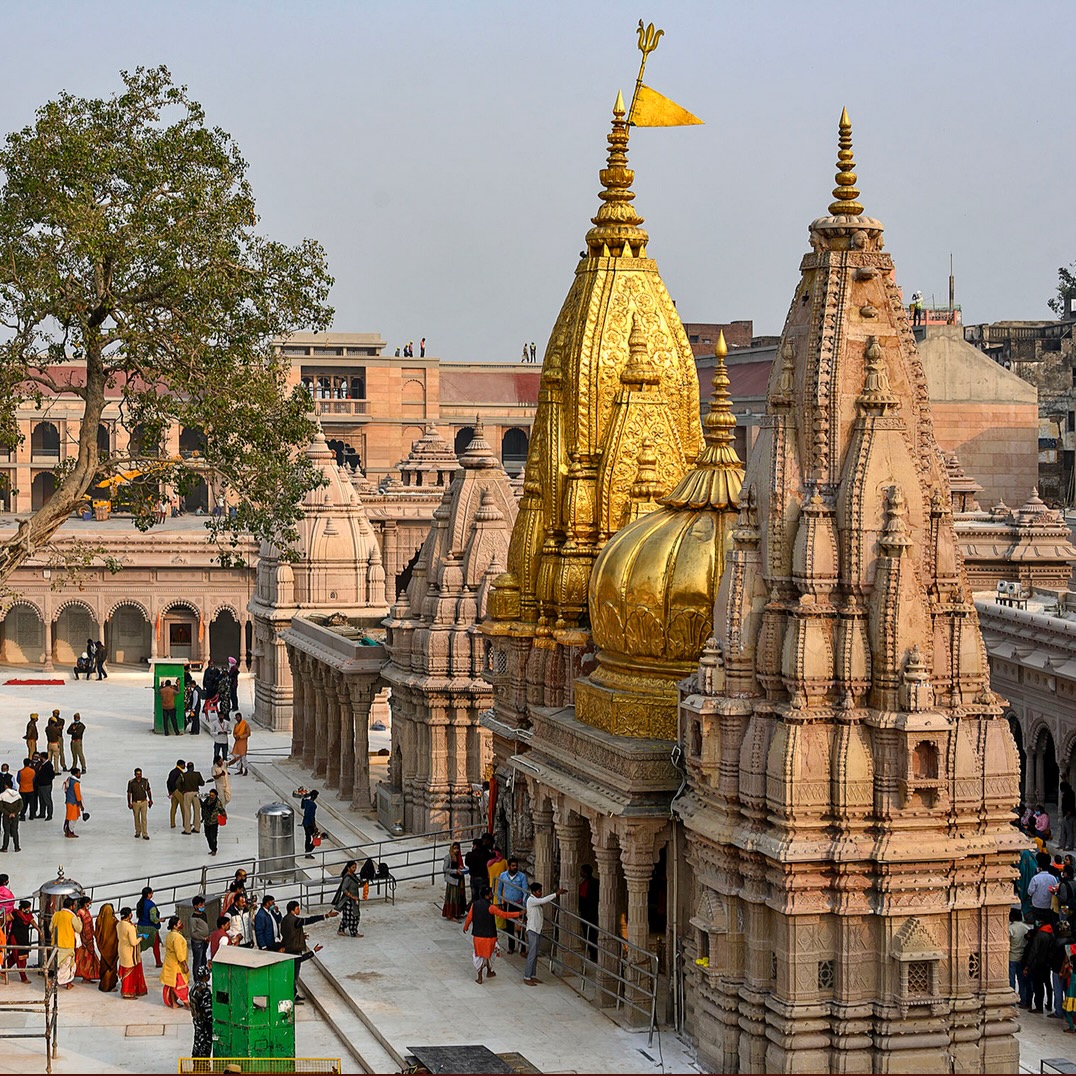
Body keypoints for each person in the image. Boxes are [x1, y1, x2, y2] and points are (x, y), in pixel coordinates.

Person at [465, 884, 521, 984]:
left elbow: (469, 917)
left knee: (479, 955)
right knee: (490, 954)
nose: (492, 895)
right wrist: (518, 913)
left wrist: (466, 927)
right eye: (491, 894)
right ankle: (489, 971)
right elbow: (504, 915)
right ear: (487, 896)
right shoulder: (491, 907)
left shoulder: (475, 905)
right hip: (490, 936)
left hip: (477, 936)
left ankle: (480, 976)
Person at [523, 881, 567, 985]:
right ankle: (527, 977)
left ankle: (532, 975)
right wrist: (556, 894)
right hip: (532, 930)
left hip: (537, 931)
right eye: (539, 891)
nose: (540, 893)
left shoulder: (535, 901)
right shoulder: (531, 900)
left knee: (535, 954)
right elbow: (543, 900)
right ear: (533, 892)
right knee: (532, 954)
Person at [281, 899, 337, 965]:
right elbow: (309, 920)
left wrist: (300, 936)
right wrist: (325, 916)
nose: (299, 910)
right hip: (294, 948)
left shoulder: (285, 919)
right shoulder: (295, 920)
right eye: (297, 909)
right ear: (292, 910)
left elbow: (289, 932)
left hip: (286, 946)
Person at [496, 858, 529, 955]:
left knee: (520, 927)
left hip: (518, 904)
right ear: (509, 866)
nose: (515, 867)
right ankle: (511, 947)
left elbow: (525, 891)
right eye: (513, 866)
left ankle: (522, 948)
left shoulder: (522, 876)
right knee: (509, 926)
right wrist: (499, 902)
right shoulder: (503, 875)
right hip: (508, 904)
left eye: (516, 866)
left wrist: (524, 905)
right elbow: (499, 889)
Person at [118, 907, 147, 998]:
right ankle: (128, 993)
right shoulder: (129, 927)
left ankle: (126, 991)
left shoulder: (119, 924)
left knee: (125, 969)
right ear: (129, 915)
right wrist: (141, 938)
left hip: (122, 949)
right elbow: (133, 942)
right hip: (129, 951)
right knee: (130, 973)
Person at [161, 917, 190, 1008]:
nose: (181, 924)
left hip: (169, 962)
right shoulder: (177, 937)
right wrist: (184, 965)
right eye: (179, 923)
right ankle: (187, 1004)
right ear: (175, 926)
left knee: (173, 984)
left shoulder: (170, 935)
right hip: (176, 965)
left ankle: (174, 1003)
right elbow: (179, 953)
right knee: (181, 986)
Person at [7, 901, 38, 984]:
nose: (29, 910)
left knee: (14, 957)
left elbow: (33, 922)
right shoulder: (15, 914)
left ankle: (3, 969)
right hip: (15, 939)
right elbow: (7, 918)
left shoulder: (28, 915)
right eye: (28, 909)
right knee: (20, 959)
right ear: (23, 908)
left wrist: (39, 931)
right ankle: (23, 978)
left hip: (24, 939)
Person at [52, 896, 78, 990]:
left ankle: (68, 983)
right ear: (71, 906)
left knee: (60, 965)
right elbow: (79, 928)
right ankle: (53, 981)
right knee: (67, 965)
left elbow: (51, 928)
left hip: (56, 944)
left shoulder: (56, 915)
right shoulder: (72, 916)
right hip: (67, 944)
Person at [332, 861, 363, 938]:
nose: (355, 869)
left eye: (355, 867)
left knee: (347, 916)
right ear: (348, 868)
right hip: (348, 900)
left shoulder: (353, 876)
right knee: (352, 916)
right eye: (353, 867)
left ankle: (341, 930)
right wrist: (352, 896)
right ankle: (353, 932)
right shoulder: (348, 878)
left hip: (353, 899)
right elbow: (344, 889)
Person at [190, 964, 214, 1060]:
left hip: (196, 1020)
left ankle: (196, 1064)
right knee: (204, 1046)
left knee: (197, 1042)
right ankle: (203, 1066)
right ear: (206, 976)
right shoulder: (205, 991)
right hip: (204, 1023)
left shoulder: (194, 988)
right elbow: (208, 1011)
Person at [136, 887, 163, 967]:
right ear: (148, 894)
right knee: (155, 946)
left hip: (140, 928)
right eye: (151, 893)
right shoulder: (151, 905)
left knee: (139, 945)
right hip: (151, 930)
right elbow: (153, 919)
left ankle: (135, 959)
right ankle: (158, 962)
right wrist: (160, 920)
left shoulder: (140, 903)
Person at [75, 896, 100, 982]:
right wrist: (83, 939)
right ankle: (85, 975)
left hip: (89, 937)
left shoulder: (86, 911)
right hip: (84, 939)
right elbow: (80, 927)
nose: (89, 905)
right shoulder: (80, 913)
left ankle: (88, 976)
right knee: (85, 958)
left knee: (89, 958)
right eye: (89, 903)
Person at [1029, 852, 1059, 923]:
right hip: (1048, 905)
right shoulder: (1053, 878)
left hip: (1037, 905)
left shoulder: (1035, 878)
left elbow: (1030, 891)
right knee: (1048, 923)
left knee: (1038, 923)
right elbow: (1055, 890)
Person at [578, 864, 600, 963]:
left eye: (582, 871)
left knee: (590, 934)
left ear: (585, 873)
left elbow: (583, 898)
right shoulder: (593, 882)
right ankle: (593, 953)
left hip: (588, 912)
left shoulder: (589, 884)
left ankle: (594, 954)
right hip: (591, 912)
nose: (580, 873)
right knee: (590, 933)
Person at [96, 903, 119, 993]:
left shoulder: (99, 921)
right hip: (112, 949)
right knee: (111, 967)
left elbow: (97, 934)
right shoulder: (114, 922)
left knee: (104, 966)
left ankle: (103, 985)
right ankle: (108, 986)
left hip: (103, 948)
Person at [1011, 906, 1032, 1001]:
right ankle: (1023, 999)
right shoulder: (1026, 928)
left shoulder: (1011, 929)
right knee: (1022, 980)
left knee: (1011, 981)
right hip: (1022, 957)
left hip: (1011, 957)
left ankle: (1011, 1000)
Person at [127, 767, 153, 840]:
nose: (139, 775)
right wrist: (129, 803)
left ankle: (145, 833)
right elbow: (129, 793)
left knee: (144, 818)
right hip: (135, 802)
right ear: (135, 774)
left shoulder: (145, 781)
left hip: (144, 801)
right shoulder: (131, 783)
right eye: (137, 774)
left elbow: (148, 791)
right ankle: (138, 831)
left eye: (140, 774)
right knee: (136, 817)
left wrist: (150, 800)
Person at [442, 841, 466, 921]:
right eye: (455, 848)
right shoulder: (448, 857)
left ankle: (457, 913)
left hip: (458, 880)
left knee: (458, 897)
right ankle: (451, 914)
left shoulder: (458, 857)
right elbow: (445, 869)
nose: (457, 850)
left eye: (458, 848)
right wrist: (455, 871)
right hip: (452, 881)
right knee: (452, 898)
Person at [180, 761, 205, 834]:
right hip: (196, 793)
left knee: (187, 811)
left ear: (187, 768)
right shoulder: (197, 774)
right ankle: (197, 828)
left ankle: (187, 829)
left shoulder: (183, 775)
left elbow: (178, 783)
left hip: (187, 793)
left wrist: (182, 790)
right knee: (197, 811)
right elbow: (202, 783)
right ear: (193, 767)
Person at [189, 896, 209, 979]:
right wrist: (203, 938)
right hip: (198, 943)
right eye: (200, 905)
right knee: (197, 962)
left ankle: (203, 977)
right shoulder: (193, 918)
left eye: (203, 904)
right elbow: (193, 933)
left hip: (205, 942)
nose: (202, 906)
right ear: (195, 906)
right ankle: (197, 979)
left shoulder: (204, 914)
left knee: (203, 961)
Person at [464, 838, 487, 909]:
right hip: (482, 877)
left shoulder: (470, 855)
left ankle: (475, 912)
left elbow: (467, 863)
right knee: (482, 897)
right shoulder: (485, 854)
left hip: (473, 877)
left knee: (474, 897)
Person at [62, 767, 84, 838]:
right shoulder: (76, 783)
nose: (80, 774)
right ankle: (70, 832)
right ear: (76, 774)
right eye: (79, 773)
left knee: (69, 817)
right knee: (73, 818)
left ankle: (67, 831)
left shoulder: (69, 780)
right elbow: (78, 795)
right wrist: (81, 805)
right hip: (73, 803)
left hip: (68, 801)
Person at [201, 789, 224, 855]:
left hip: (214, 822)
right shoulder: (207, 800)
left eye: (212, 795)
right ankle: (211, 848)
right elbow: (204, 807)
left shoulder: (218, 802)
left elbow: (221, 810)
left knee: (213, 836)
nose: (211, 796)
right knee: (207, 835)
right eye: (210, 795)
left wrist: (223, 816)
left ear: (216, 795)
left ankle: (214, 849)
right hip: (207, 821)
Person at [0, 781, 21, 852]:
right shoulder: (17, 794)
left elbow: (1, 807)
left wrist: (8, 814)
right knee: (15, 831)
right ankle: (17, 847)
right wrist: (14, 813)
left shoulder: (2, 795)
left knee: (6, 832)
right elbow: (21, 806)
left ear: (6, 786)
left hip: (6, 816)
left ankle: (5, 847)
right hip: (15, 816)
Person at [34, 753, 55, 822]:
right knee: (41, 800)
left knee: (47, 800)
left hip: (45, 785)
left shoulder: (48, 765)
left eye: (40, 757)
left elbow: (52, 775)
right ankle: (42, 813)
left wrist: (46, 780)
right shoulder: (42, 764)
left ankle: (49, 814)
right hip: (40, 785)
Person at [167, 759, 185, 828]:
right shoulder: (180, 772)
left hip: (172, 792)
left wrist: (170, 791)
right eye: (184, 765)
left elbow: (168, 782)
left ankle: (172, 823)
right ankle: (185, 823)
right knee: (183, 806)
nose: (185, 766)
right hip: (178, 791)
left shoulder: (172, 772)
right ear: (181, 765)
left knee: (173, 807)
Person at [301, 790, 320, 858]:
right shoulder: (313, 805)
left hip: (305, 822)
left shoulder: (306, 802)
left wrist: (303, 798)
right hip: (309, 824)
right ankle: (308, 852)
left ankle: (307, 852)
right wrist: (314, 826)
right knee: (316, 838)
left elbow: (302, 807)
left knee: (308, 838)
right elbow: (312, 816)